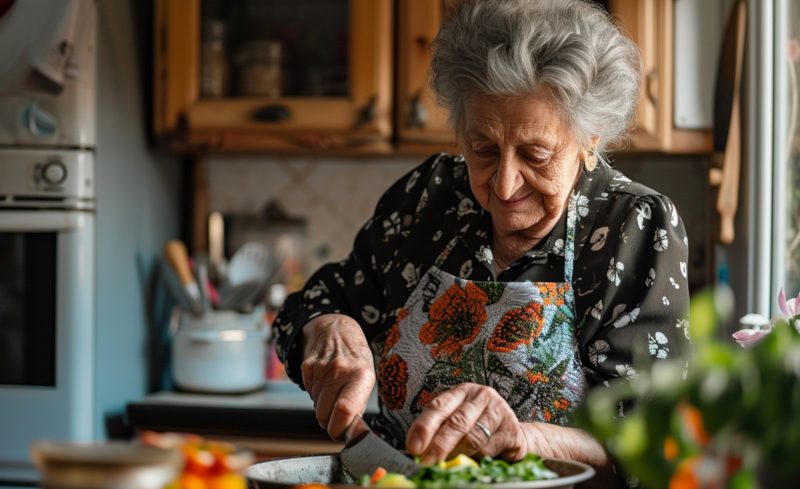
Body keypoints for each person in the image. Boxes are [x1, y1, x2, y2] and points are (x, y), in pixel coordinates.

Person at [272, 0, 690, 485]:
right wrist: (327, 327)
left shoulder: (633, 227)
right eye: (483, 149)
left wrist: (522, 441)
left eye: (536, 154)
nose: (505, 185)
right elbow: (313, 304)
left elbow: (651, 443)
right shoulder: (430, 198)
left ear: (590, 138)